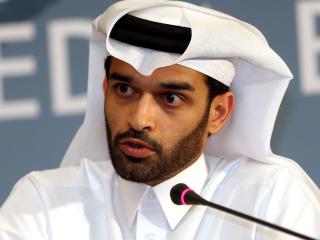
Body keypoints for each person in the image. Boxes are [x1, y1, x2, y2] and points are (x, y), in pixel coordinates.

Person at [0, 1, 319, 239]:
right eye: (124, 89)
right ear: (104, 90)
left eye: (171, 98)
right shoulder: (43, 204)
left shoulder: (270, 199)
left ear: (218, 113)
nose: (140, 119)